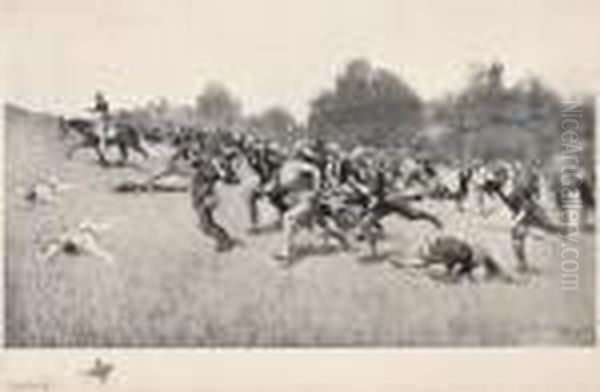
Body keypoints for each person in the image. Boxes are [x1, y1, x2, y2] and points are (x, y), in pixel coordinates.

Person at [89, 92, 111, 158]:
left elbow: (105, 111)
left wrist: (98, 112)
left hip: (104, 118)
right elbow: (96, 110)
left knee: (102, 135)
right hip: (98, 118)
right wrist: (91, 110)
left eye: (98, 98)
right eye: (96, 98)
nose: (97, 100)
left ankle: (103, 149)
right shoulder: (98, 104)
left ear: (101, 97)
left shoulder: (105, 103)